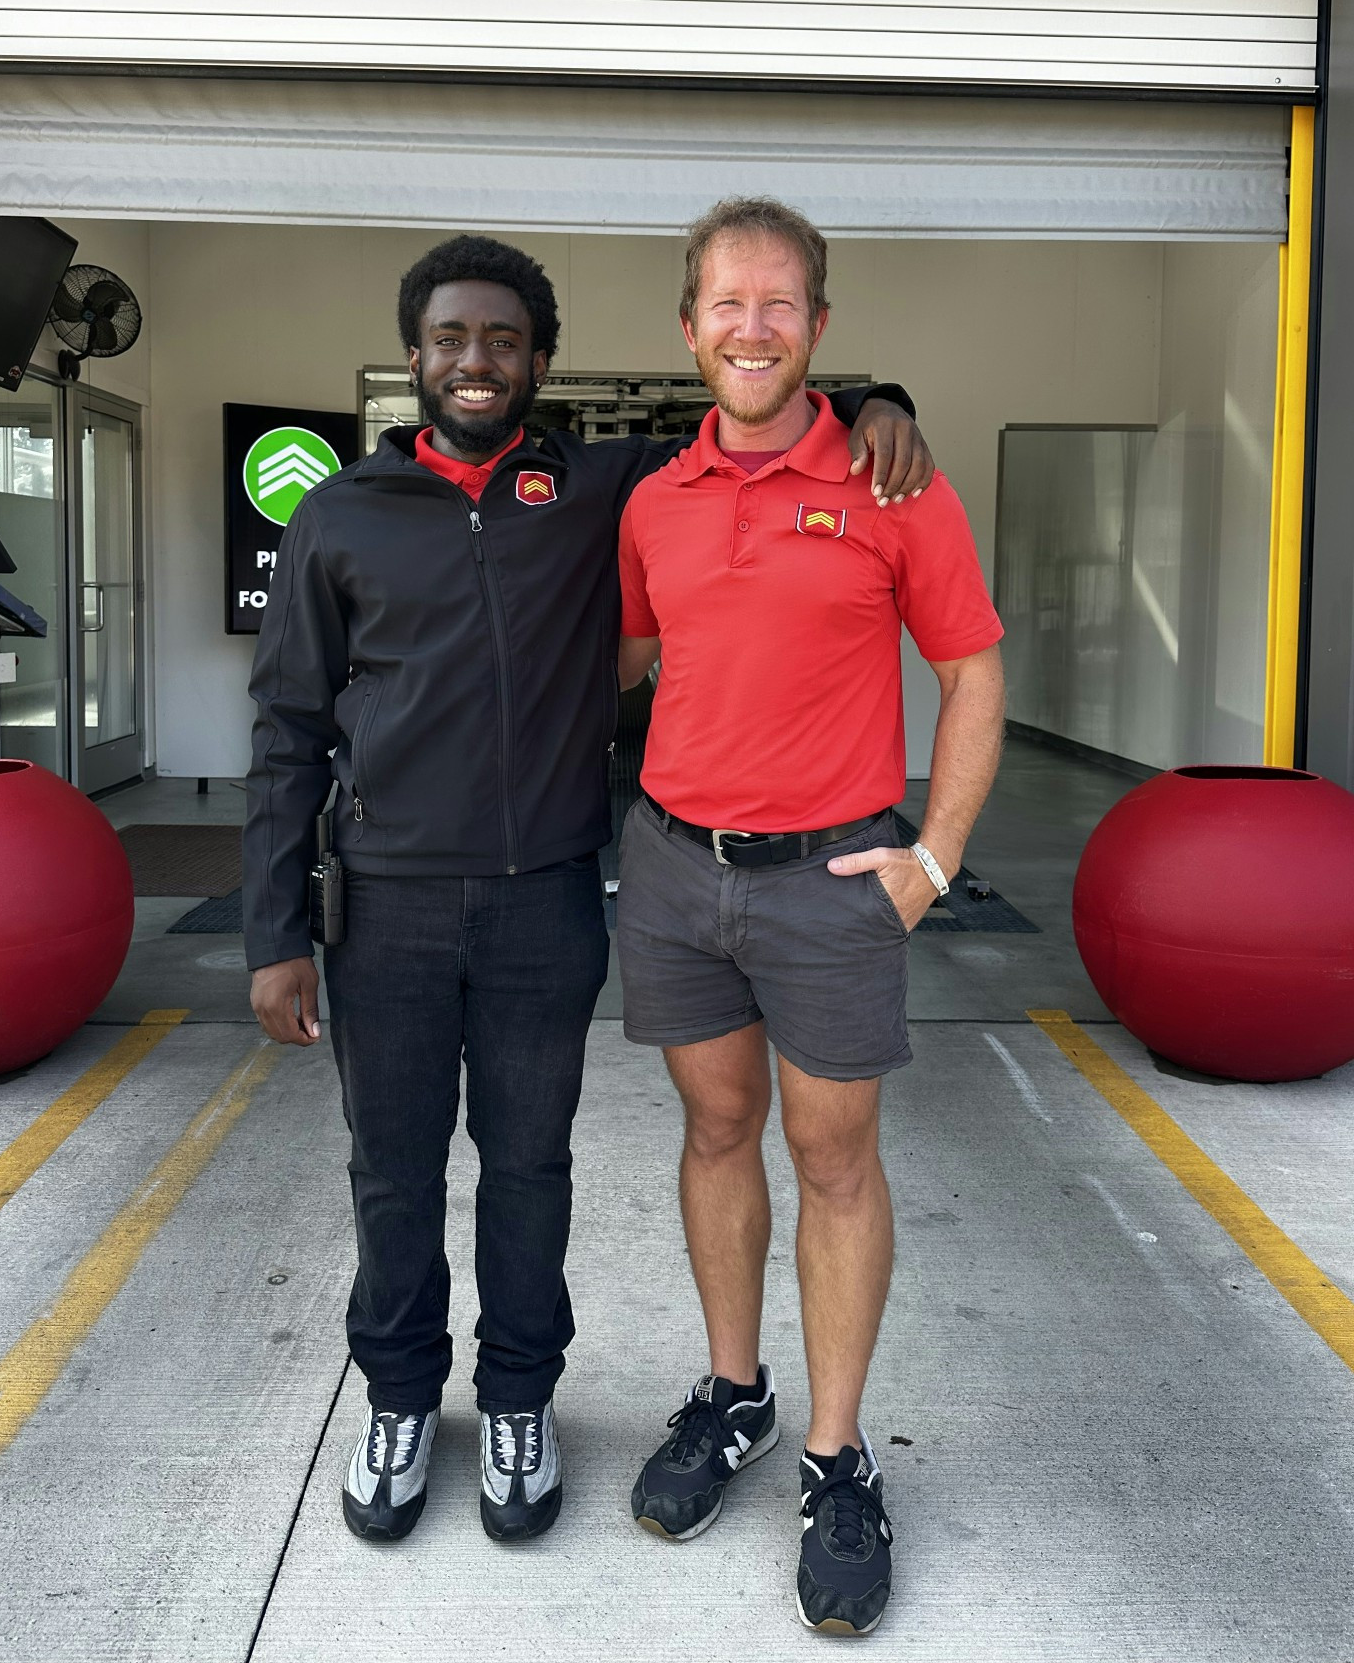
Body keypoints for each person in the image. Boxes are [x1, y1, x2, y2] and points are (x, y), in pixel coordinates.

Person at [242, 231, 933, 1549]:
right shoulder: (340, 516)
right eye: (452, 337)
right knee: (390, 1169)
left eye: (503, 339)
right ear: (415, 355)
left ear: (540, 361)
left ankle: (516, 1400)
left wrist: (875, 405)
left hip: (543, 905)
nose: (476, 361)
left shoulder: (602, 483)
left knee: (530, 1168)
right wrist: (276, 933)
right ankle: (397, 1396)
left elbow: (750, 404)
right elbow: (289, 730)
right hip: (380, 910)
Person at [616, 198, 1006, 1635]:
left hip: (835, 879)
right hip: (671, 871)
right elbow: (631, 656)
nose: (754, 326)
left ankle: (838, 1460)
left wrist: (936, 855)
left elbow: (971, 675)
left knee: (835, 1159)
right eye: (729, 302)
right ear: (691, 325)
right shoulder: (653, 499)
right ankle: (737, 1400)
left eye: (782, 303)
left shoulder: (898, 485)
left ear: (820, 331)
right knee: (714, 1131)